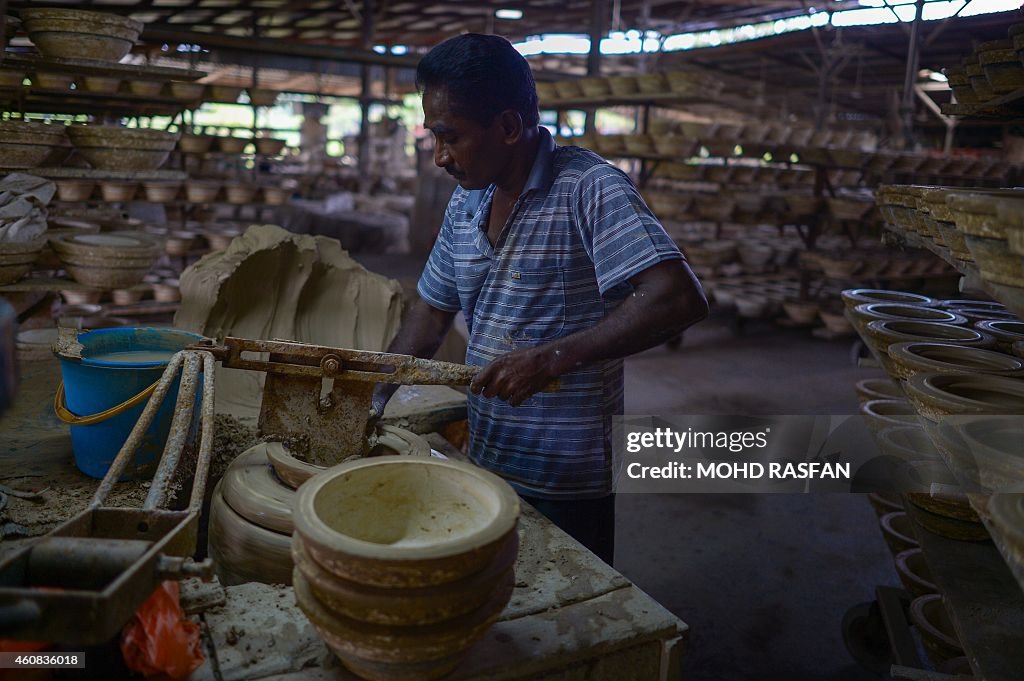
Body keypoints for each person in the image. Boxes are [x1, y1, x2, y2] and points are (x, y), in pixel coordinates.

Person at [370, 33, 708, 565]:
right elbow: (433, 308)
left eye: (449, 137)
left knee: (568, 603)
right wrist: (375, 393)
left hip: (567, 471)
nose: (438, 156)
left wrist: (550, 358)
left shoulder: (591, 189)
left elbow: (676, 299)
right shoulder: (467, 200)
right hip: (488, 453)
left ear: (507, 127)